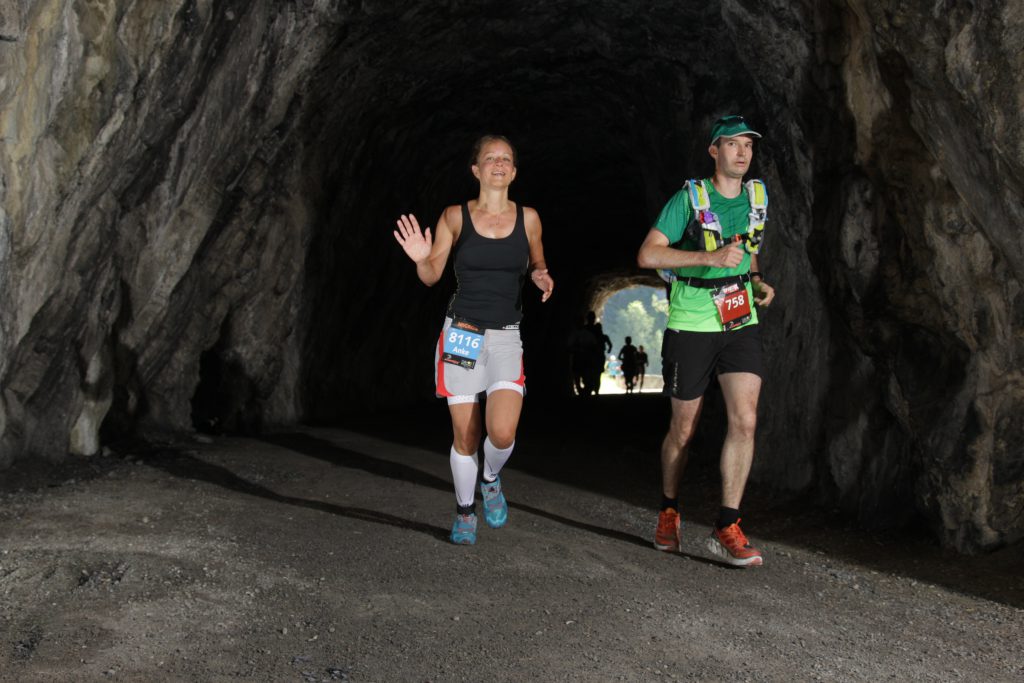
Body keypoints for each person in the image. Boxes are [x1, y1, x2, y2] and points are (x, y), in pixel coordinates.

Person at [393, 134, 554, 545]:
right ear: (476, 170)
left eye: (506, 158)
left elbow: (537, 260)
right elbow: (431, 276)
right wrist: (419, 258)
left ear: (514, 171)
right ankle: (465, 511)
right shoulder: (454, 217)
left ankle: (491, 478)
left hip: (505, 337)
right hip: (461, 334)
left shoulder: (530, 218)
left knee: (501, 433)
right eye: (490, 158)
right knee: (466, 435)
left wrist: (540, 275)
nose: (498, 163)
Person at [636, 115, 776, 567]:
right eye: (731, 145)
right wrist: (708, 257)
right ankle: (669, 509)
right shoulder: (689, 199)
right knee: (683, 430)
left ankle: (727, 524)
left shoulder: (757, 195)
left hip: (739, 321)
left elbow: (748, 245)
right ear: (713, 151)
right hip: (692, 320)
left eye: (747, 146)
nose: (741, 153)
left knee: (746, 420)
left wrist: (754, 279)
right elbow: (648, 253)